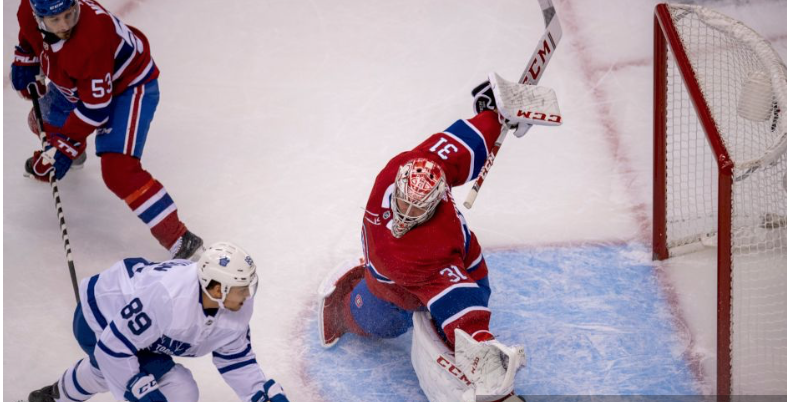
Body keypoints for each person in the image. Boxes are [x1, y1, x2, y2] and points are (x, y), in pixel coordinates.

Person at [316, 76, 551, 402]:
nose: (406, 215)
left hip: (461, 263)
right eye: (403, 203)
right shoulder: (405, 252)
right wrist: (483, 347)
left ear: (439, 192)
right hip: (392, 291)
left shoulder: (416, 167)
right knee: (380, 322)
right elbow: (458, 304)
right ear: (398, 185)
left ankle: (468, 359)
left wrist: (494, 116)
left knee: (475, 298)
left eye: (418, 207)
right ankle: (343, 307)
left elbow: (460, 143)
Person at [10, 0, 202, 259]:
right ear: (38, 16)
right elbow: (29, 33)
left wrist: (63, 146)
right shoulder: (27, 9)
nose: (65, 25)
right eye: (55, 20)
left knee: (118, 170)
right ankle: (73, 153)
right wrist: (25, 56)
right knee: (41, 120)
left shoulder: (92, 38)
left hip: (128, 86)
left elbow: (96, 109)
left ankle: (180, 239)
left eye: (69, 14)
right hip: (80, 83)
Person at [28, 242, 289, 402]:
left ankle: (54, 395)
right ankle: (55, 395)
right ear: (216, 288)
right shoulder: (168, 298)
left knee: (112, 376)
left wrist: (259, 394)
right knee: (178, 391)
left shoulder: (237, 306)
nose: (248, 294)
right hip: (100, 316)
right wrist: (136, 388)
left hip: (141, 335)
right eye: (240, 287)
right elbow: (112, 349)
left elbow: (235, 360)